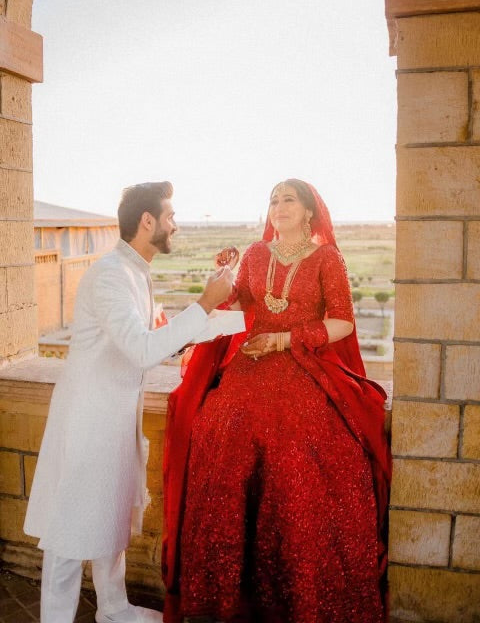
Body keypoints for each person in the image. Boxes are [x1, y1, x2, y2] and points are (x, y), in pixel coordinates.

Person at [162, 179, 391, 623]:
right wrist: (224, 275)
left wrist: (286, 339)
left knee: (304, 443)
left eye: (289, 199)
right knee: (220, 427)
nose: (278, 206)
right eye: (273, 200)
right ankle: (222, 594)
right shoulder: (254, 254)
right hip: (249, 365)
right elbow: (237, 303)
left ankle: (300, 592)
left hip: (303, 364)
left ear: (309, 212)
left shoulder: (328, 258)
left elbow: (342, 322)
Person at [24, 181, 234, 623]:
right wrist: (202, 304)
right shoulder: (110, 275)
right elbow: (141, 349)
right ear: (148, 221)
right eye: (171, 216)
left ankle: (114, 608)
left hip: (116, 417)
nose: (176, 224)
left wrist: (219, 317)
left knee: (110, 511)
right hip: (88, 419)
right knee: (70, 528)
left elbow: (150, 342)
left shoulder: (135, 271)